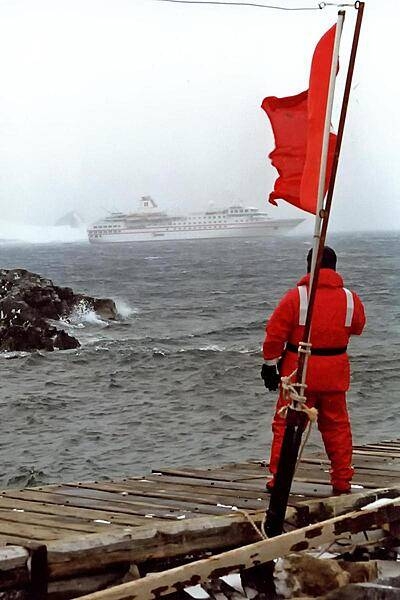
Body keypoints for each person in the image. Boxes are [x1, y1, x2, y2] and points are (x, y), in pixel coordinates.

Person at [261, 246, 366, 495]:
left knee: (287, 426)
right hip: (334, 373)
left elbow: (275, 334)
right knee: (338, 427)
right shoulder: (351, 299)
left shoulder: (297, 297)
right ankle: (342, 482)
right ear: (335, 267)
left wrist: (268, 364)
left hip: (300, 373)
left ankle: (279, 481)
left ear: (308, 266)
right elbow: (358, 327)